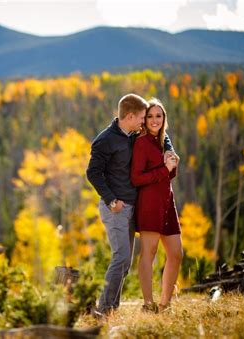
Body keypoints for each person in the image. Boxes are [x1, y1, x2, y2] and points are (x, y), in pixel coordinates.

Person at [86, 94, 175, 316]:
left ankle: (112, 309)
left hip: (132, 208)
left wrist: (170, 150)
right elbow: (92, 173)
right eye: (142, 117)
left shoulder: (133, 134)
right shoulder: (105, 140)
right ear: (130, 116)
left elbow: (162, 137)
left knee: (125, 264)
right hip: (115, 208)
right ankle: (104, 308)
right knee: (121, 258)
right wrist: (111, 199)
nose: (144, 122)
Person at [130, 98, 183, 313]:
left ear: (164, 119)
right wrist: (164, 168)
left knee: (176, 253)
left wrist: (173, 165)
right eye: (150, 116)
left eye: (158, 116)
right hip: (150, 203)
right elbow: (136, 178)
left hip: (167, 202)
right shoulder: (142, 142)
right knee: (149, 253)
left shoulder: (163, 140)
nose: (154, 120)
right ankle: (148, 304)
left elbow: (167, 174)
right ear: (145, 120)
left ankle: (165, 304)